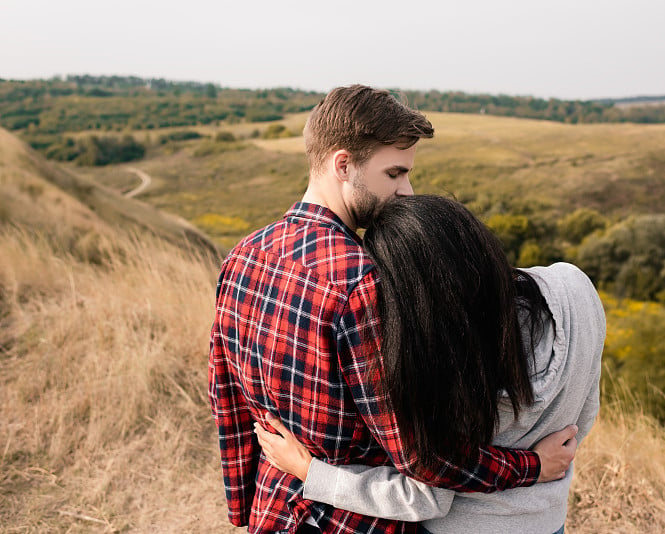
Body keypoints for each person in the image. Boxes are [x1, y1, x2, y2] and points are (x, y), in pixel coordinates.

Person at [209, 85, 578, 534]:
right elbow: (422, 457)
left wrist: (243, 510)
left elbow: (227, 403)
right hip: (353, 521)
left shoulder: (242, 254)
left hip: (273, 511)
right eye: (395, 173)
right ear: (343, 165)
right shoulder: (365, 282)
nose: (407, 192)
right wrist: (532, 467)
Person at [254, 195, 606, 534]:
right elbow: (585, 416)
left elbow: (423, 498)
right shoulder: (575, 290)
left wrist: (310, 471)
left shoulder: (440, 368)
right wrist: (539, 462)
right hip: (547, 519)